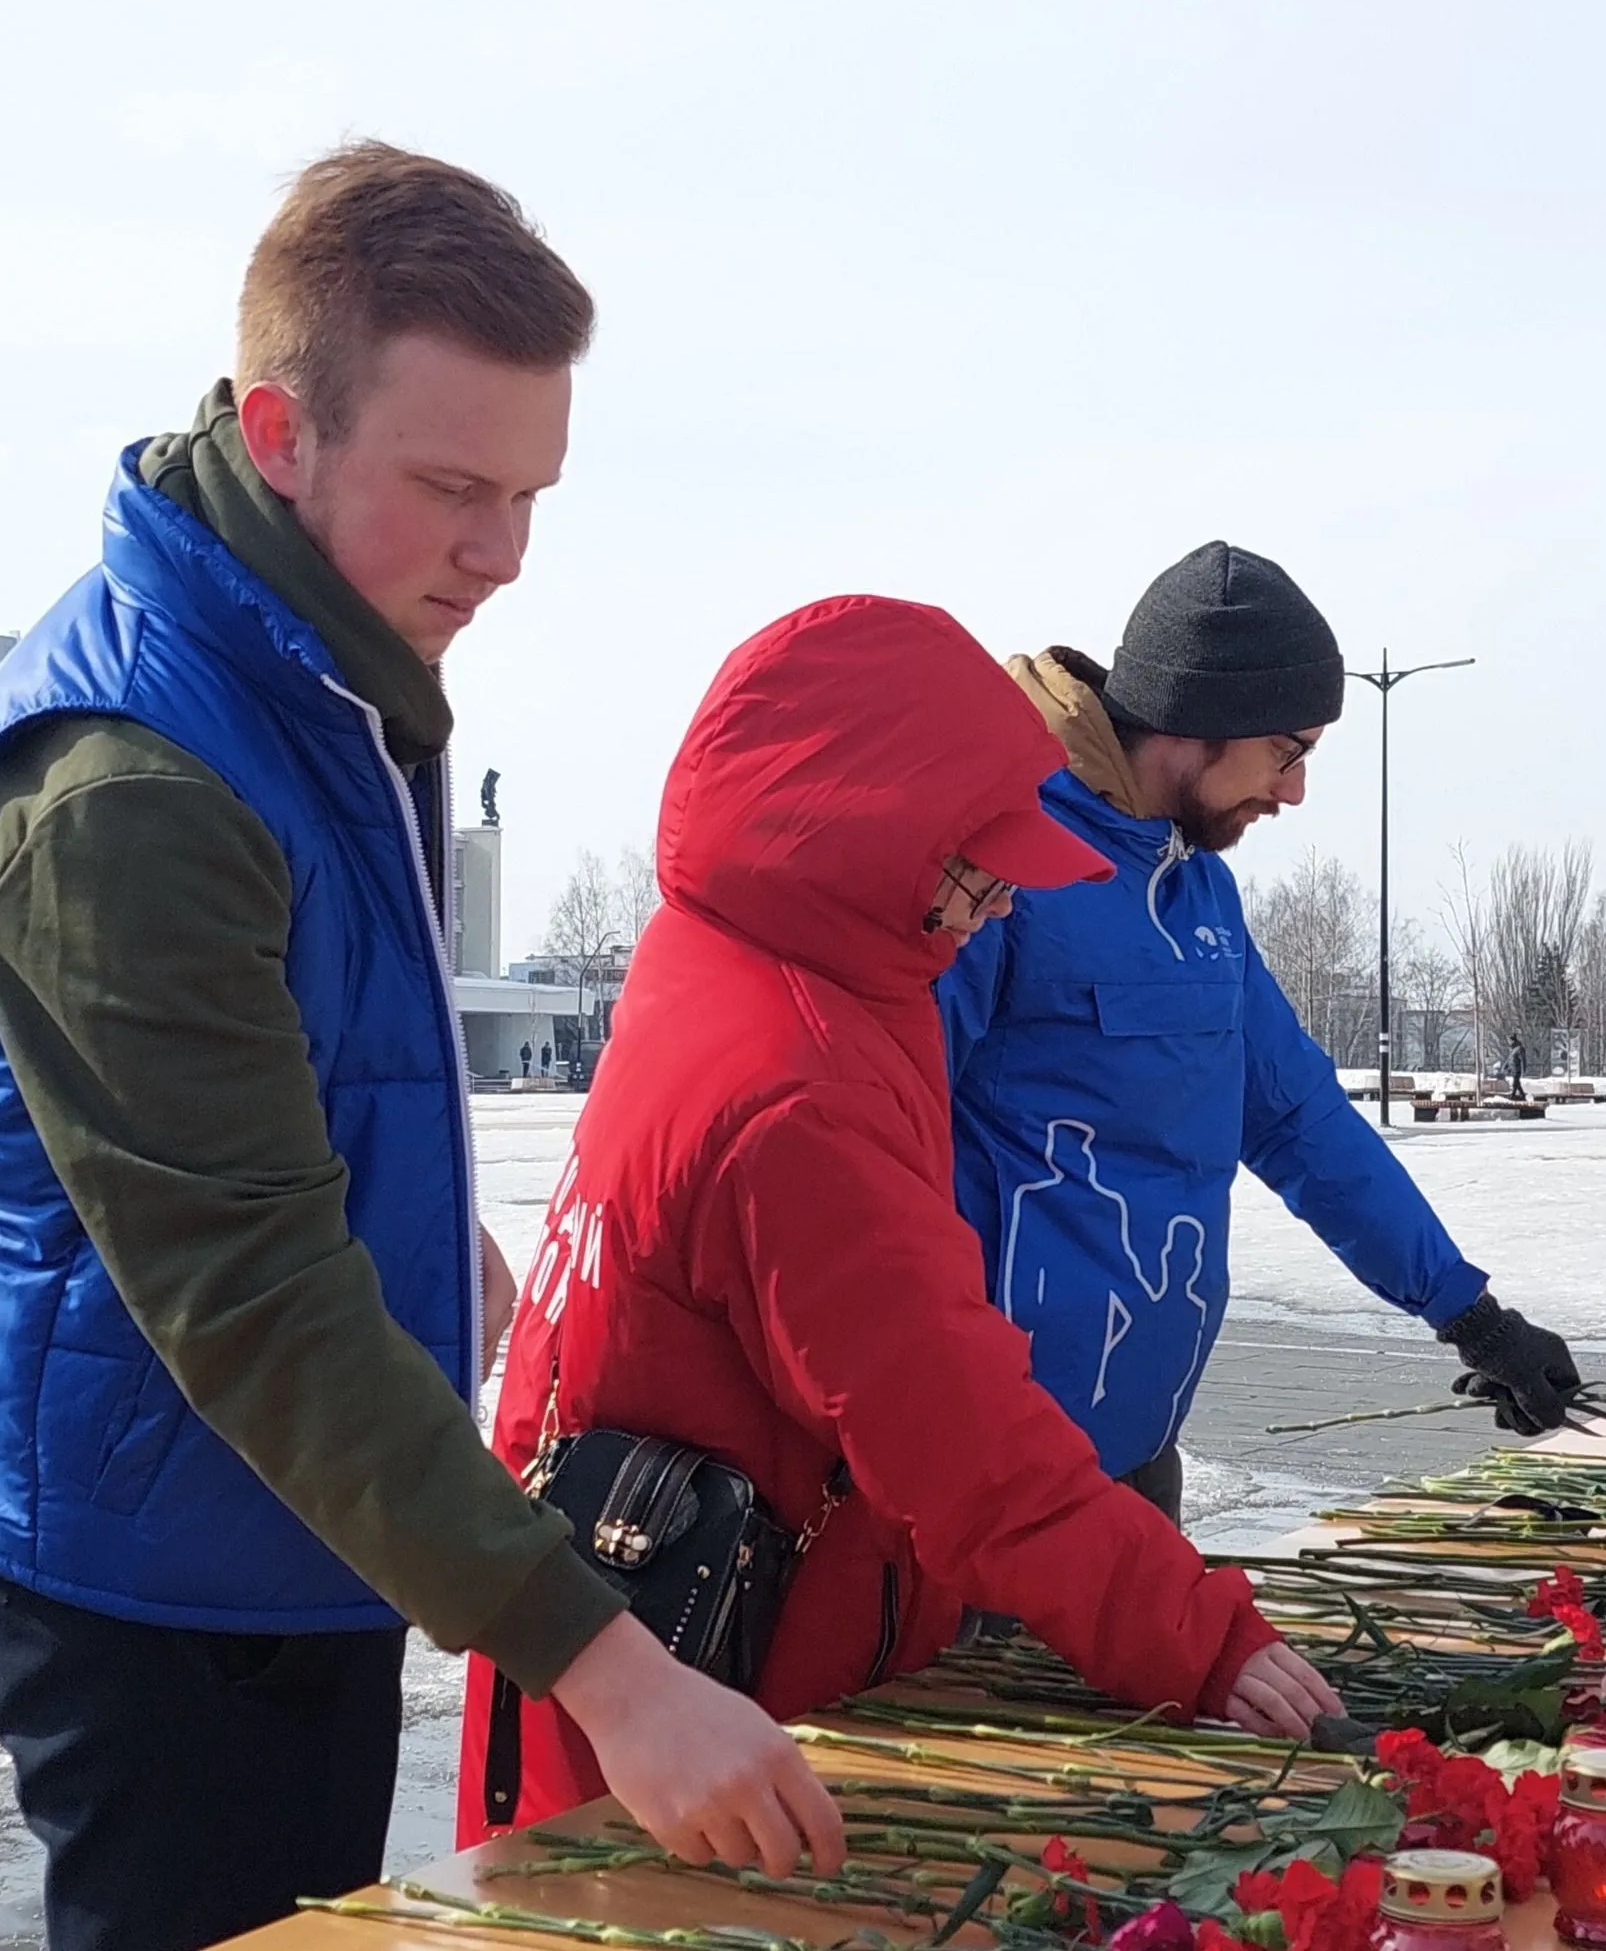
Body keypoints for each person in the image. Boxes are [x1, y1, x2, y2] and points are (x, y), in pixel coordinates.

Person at [0, 144, 835, 1951]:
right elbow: (246, 1286)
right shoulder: (129, 783)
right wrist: (612, 1670)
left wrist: (434, 1244)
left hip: (304, 1515)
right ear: (280, 431)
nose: (500, 554)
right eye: (453, 488)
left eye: (530, 491)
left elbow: (309, 1068)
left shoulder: (328, 661)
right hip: (156, 1560)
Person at [465, 595, 1341, 1839]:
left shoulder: (757, 952)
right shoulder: (794, 1087)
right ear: (874, 837)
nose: (996, 910)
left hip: (655, 1650)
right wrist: (1202, 1641)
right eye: (978, 872)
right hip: (713, 1715)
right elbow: (956, 1437)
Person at [939, 543, 1590, 1517]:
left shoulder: (1198, 894)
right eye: (1286, 751)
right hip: (989, 1474)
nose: (1292, 791)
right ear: (1201, 723)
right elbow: (878, 1140)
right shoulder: (1001, 864)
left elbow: (1298, 1121)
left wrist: (1471, 1316)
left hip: (1141, 1457)